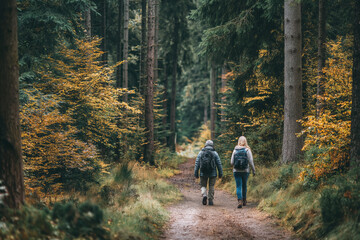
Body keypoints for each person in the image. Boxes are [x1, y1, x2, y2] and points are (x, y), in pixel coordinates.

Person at [194, 140, 223, 206]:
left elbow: (197, 163)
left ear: (205, 145)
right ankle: (210, 200)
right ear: (212, 145)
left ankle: (204, 195)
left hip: (203, 172)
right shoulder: (215, 153)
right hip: (213, 173)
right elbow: (219, 164)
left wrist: (196, 173)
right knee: (211, 186)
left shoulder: (201, 152)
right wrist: (220, 173)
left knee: (203, 185)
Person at [231, 136, 255, 208]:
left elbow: (231, 162)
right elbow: (251, 162)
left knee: (238, 186)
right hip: (245, 170)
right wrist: (253, 170)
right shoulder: (247, 150)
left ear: (239, 141)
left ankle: (239, 201)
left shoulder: (235, 150)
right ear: (245, 141)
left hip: (236, 171)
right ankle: (244, 201)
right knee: (244, 185)